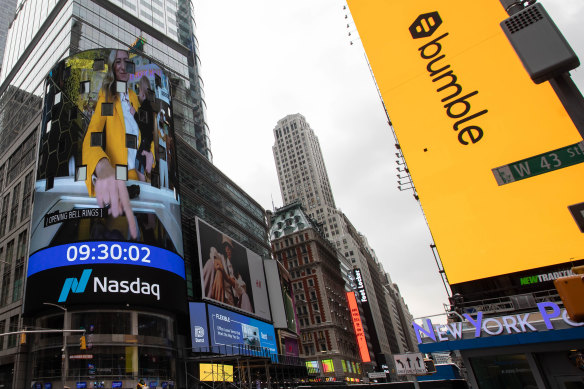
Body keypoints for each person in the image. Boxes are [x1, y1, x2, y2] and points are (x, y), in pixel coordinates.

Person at [82, 49, 154, 239]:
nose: (123, 66)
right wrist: (102, 166)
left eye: (126, 62)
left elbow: (145, 132)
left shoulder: (134, 96)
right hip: (118, 184)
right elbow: (93, 134)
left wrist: (149, 152)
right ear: (113, 67)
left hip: (142, 183)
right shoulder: (107, 94)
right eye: (118, 62)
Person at [134, 76, 155, 182]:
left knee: (138, 166)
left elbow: (142, 125)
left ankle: (148, 155)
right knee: (141, 169)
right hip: (147, 143)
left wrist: (134, 114)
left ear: (142, 91)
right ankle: (148, 155)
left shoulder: (144, 106)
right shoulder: (149, 107)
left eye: (139, 89)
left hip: (143, 143)